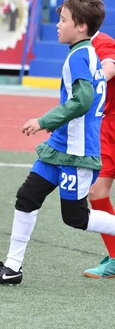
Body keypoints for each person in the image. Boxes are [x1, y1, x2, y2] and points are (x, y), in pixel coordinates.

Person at [0, 0, 115, 285]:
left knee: (75, 218)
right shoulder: (85, 52)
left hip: (76, 152)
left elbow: (83, 100)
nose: (57, 24)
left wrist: (43, 121)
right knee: (27, 196)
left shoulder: (81, 55)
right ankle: (13, 269)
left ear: (81, 26)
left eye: (63, 20)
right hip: (59, 148)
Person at [83, 30, 115, 278]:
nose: (59, 26)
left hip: (111, 127)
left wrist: (88, 91)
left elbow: (110, 67)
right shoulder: (82, 48)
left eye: (64, 20)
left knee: (96, 192)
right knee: (97, 191)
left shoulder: (101, 42)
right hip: (105, 127)